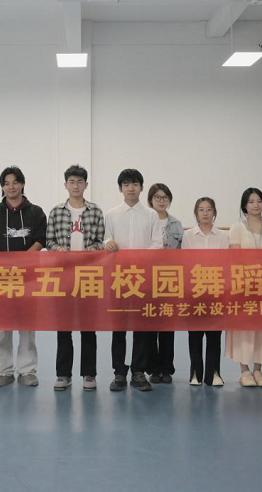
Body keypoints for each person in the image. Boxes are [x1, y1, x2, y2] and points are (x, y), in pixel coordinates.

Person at [0, 166, 47, 388]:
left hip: (28, 276)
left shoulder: (36, 212)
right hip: (1, 277)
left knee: (27, 325)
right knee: (3, 326)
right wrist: (1, 261)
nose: (11, 186)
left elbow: (40, 239)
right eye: (7, 183)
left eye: (15, 182)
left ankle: (27, 370)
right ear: (2, 187)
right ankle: (4, 370)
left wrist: (23, 261)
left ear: (22, 184)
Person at [45, 165, 105, 392]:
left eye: (80, 181)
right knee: (64, 327)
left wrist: (91, 250)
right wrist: (58, 249)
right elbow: (49, 241)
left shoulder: (95, 211)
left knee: (89, 327)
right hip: (64, 276)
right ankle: (63, 374)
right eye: (72, 181)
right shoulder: (56, 212)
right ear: (65, 185)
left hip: (89, 276)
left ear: (86, 185)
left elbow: (100, 241)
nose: (76, 185)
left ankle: (89, 374)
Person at [104, 168, 163, 392]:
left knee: (142, 327)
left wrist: (139, 259)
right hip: (118, 279)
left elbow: (157, 245)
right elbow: (105, 238)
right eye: (126, 184)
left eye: (135, 184)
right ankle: (119, 372)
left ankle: (138, 372)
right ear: (120, 188)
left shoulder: (151, 215)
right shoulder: (111, 214)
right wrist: (107, 243)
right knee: (118, 327)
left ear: (141, 187)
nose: (131, 188)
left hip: (142, 278)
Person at [225, 188, 262, 388]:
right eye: (251, 201)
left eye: (259, 201)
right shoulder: (236, 229)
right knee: (244, 329)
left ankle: (258, 370)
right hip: (243, 286)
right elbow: (236, 258)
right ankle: (244, 371)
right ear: (245, 206)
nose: (256, 205)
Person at [181, 197, 228, 387]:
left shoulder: (223, 236)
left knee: (214, 335)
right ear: (196, 213)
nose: (205, 213)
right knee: (195, 334)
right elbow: (186, 263)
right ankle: (195, 373)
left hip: (216, 290)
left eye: (209, 209)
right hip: (195, 290)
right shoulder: (188, 236)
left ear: (214, 212)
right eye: (201, 209)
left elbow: (226, 263)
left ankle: (214, 373)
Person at [146, 182, 183, 384]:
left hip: (169, 280)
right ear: (151, 200)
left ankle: (167, 368)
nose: (161, 201)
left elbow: (182, 253)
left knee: (168, 326)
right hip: (147, 279)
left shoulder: (176, 223)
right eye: (157, 197)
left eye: (165, 197)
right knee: (151, 326)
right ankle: (153, 368)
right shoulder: (145, 220)